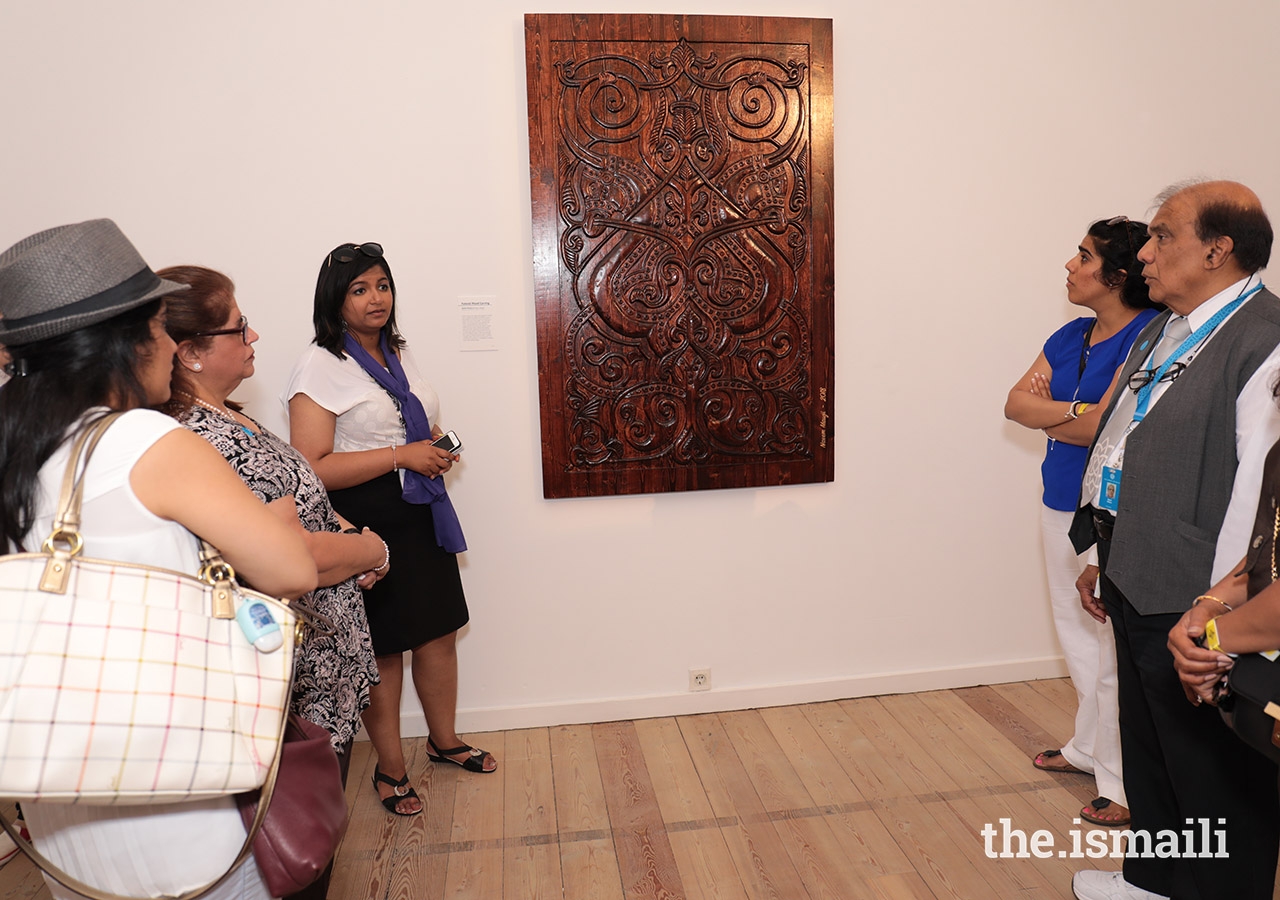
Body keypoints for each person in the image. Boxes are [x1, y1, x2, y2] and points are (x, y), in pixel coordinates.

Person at [0, 219, 317, 899]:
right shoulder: (148, 441)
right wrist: (271, 522)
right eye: (160, 325)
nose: (173, 343)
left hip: (63, 804)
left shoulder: (14, 450)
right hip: (182, 797)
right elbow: (292, 572)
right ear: (123, 341)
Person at [1068, 182, 1280, 900]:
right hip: (1136, 566)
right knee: (1152, 745)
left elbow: (1260, 498)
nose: (1146, 255)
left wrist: (1221, 619)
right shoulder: (1172, 322)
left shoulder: (1265, 339)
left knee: (1216, 771)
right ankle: (1153, 880)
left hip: (1198, 592)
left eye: (1162, 237)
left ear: (1218, 250)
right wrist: (1104, 550)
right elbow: (1121, 441)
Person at [157, 265, 384, 896]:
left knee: (311, 835)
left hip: (320, 666)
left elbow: (303, 505)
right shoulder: (200, 439)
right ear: (190, 353)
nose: (254, 334)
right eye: (237, 325)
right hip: (292, 680)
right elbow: (289, 556)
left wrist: (349, 536)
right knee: (297, 846)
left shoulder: (230, 417)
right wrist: (370, 548)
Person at [284, 241, 496, 818]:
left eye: (382, 285)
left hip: (420, 504)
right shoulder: (319, 365)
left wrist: (430, 449)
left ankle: (444, 741)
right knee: (383, 648)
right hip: (363, 517)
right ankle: (389, 768)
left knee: (438, 630)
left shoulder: (397, 351)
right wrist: (404, 454)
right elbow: (312, 466)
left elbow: (416, 416)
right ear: (335, 300)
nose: (376, 298)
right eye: (360, 289)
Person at [1005, 217, 1160, 827]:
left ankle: (1123, 783)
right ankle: (1088, 748)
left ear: (1118, 276)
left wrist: (1056, 415)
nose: (1070, 265)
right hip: (1057, 500)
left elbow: (1107, 428)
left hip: (1110, 510)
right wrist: (1070, 411)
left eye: (1084, 256)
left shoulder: (1151, 335)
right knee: (1076, 634)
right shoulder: (1072, 334)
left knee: (1112, 646)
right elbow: (1015, 403)